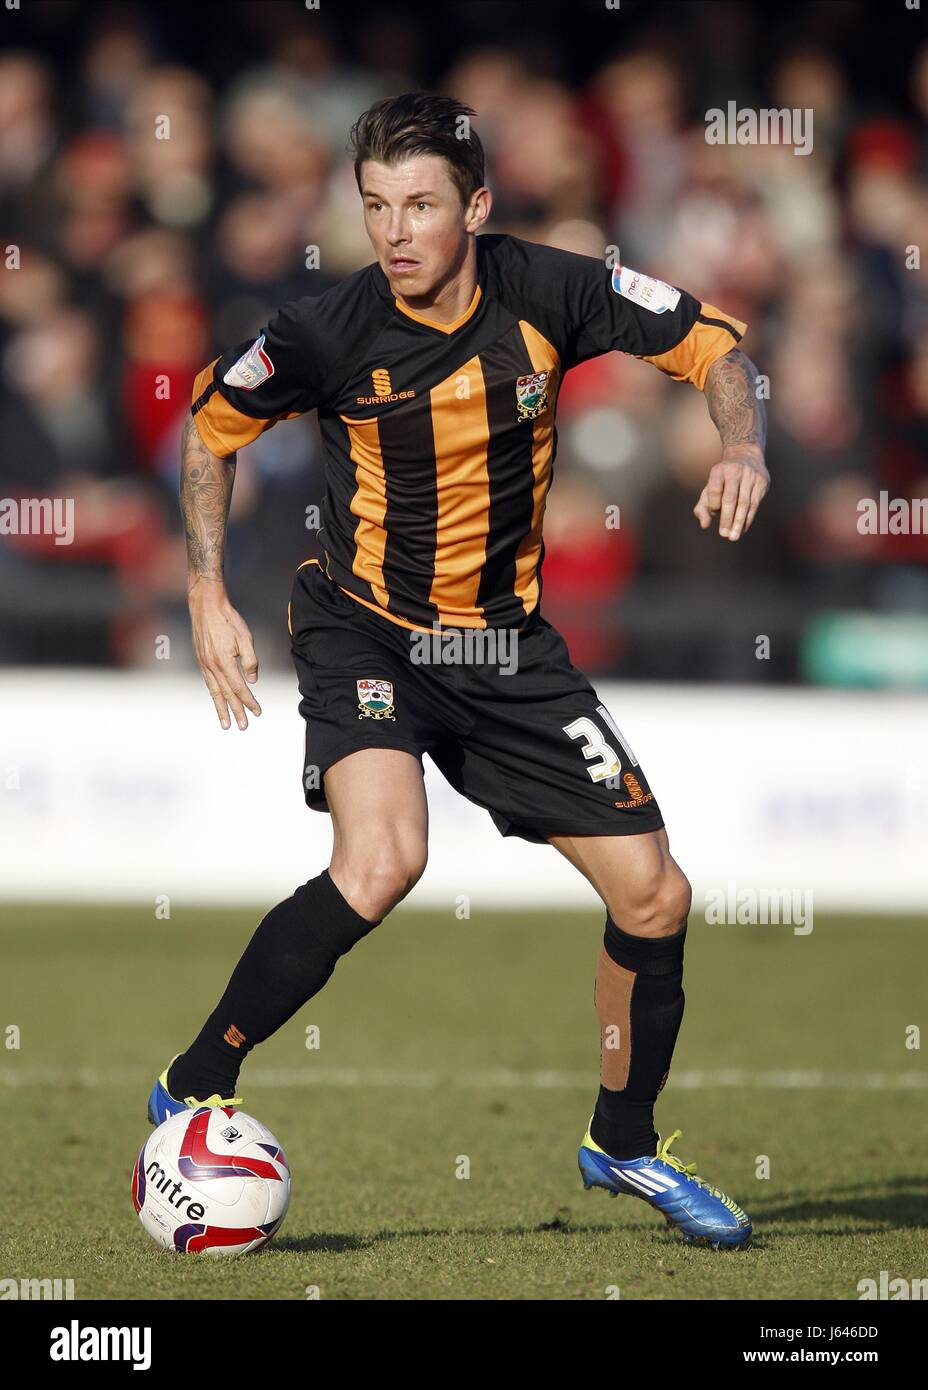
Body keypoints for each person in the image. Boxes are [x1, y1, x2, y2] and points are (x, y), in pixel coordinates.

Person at [151, 92, 769, 1250]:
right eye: (377, 205)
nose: (396, 230)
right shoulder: (326, 328)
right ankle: (193, 1081)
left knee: (656, 894)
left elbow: (718, 343)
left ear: (475, 207)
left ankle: (621, 1144)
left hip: (502, 647)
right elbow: (210, 426)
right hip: (364, 628)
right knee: (383, 861)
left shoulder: (555, 288)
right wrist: (203, 586)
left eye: (422, 204)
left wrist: (741, 441)